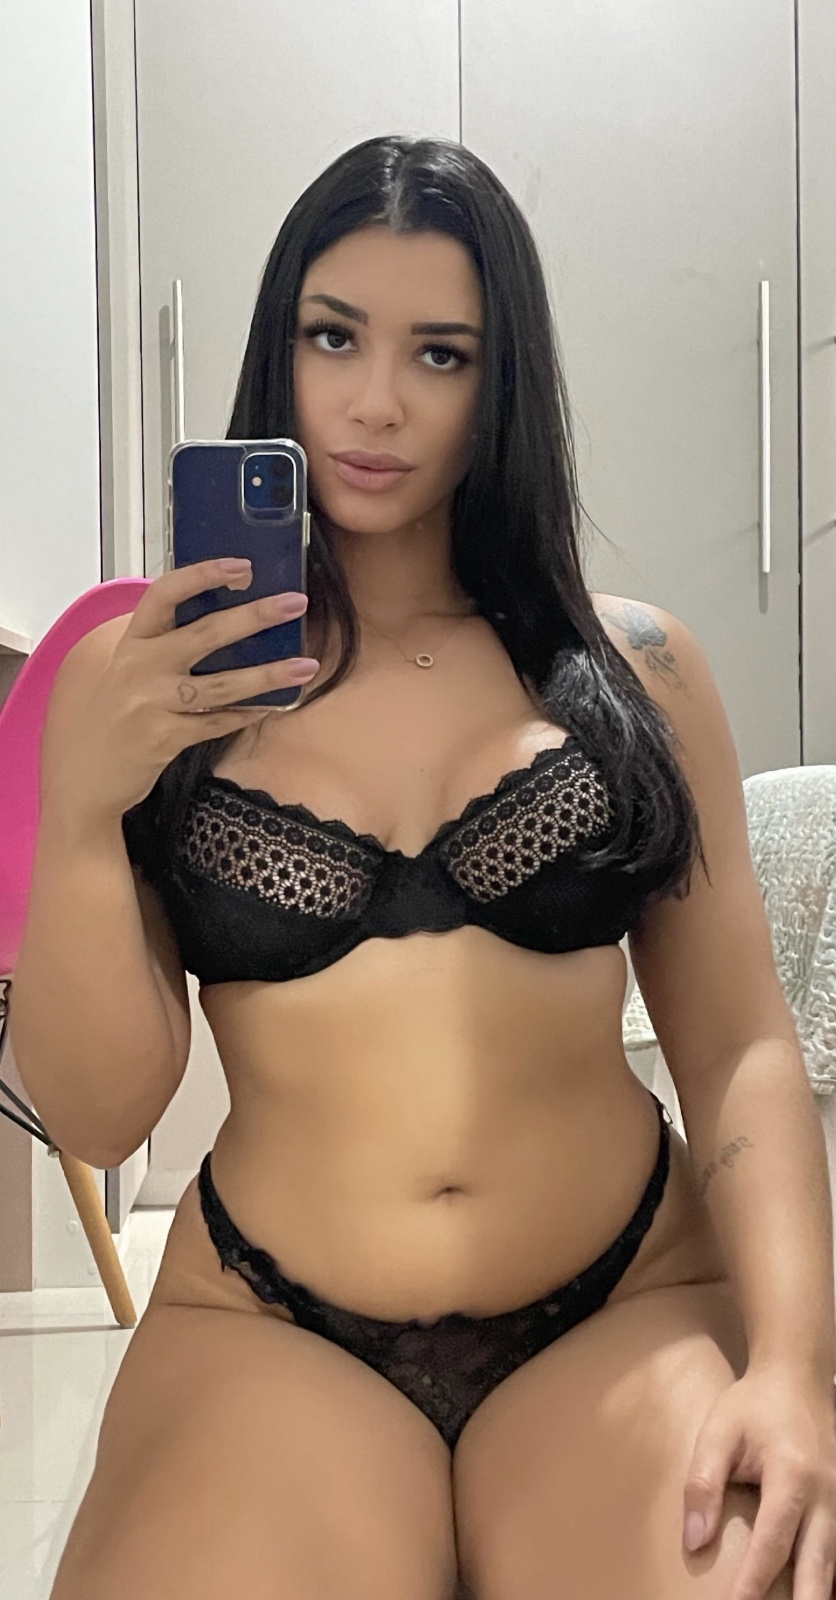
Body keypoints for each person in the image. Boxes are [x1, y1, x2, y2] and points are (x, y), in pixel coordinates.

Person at [12, 136, 835, 1600]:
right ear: (278, 351)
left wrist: (793, 1366)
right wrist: (77, 816)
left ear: (499, 384)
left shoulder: (637, 670)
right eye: (333, 337)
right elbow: (98, 1108)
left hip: (627, 1298)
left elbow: (738, 1048)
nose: (376, 402)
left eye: (439, 353)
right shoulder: (141, 685)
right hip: (270, 1323)